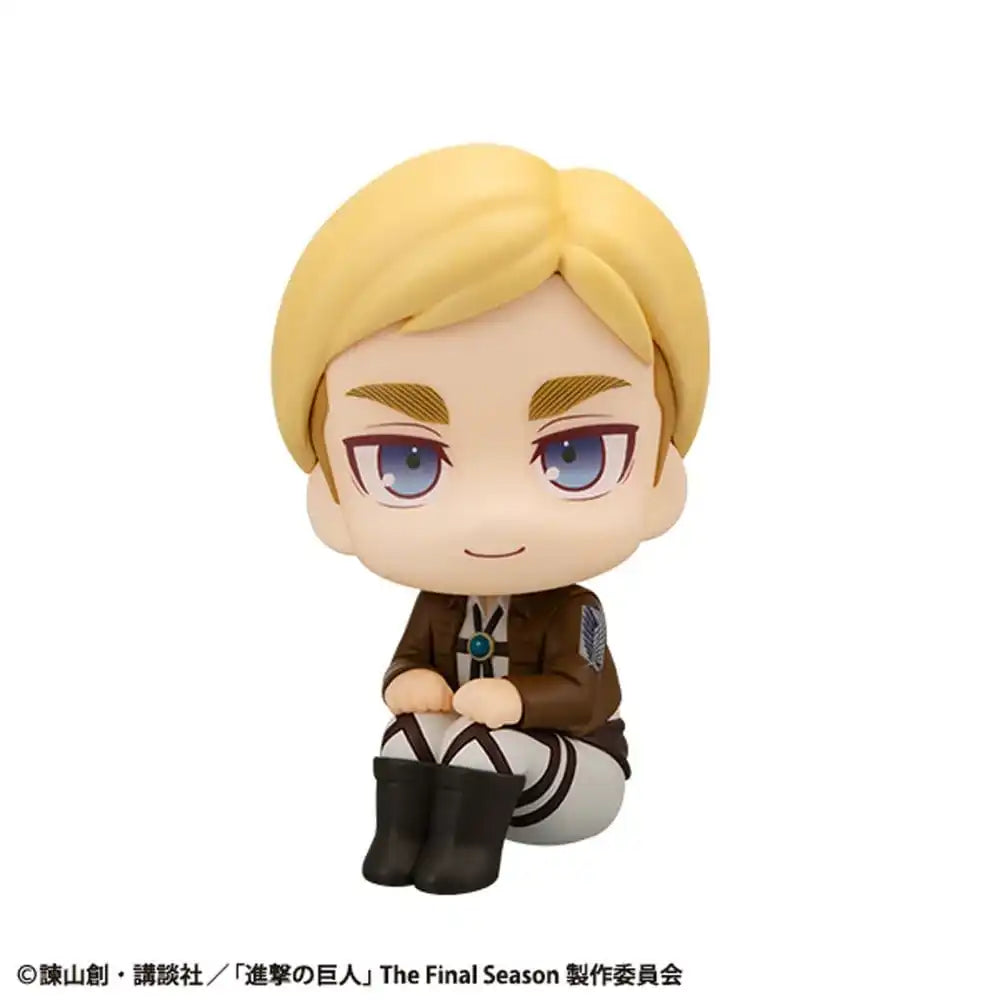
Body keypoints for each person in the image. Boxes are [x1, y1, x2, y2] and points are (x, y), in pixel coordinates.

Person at [271, 144, 709, 893]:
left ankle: (466, 858)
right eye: (405, 461)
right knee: (408, 734)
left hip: (573, 770)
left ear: (661, 480)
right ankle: (401, 843)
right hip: (464, 762)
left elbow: (585, 694)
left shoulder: (573, 610)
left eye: (577, 454)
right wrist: (408, 681)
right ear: (331, 498)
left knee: (482, 747)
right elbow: (408, 662)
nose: (493, 516)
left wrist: (516, 700)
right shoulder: (438, 603)